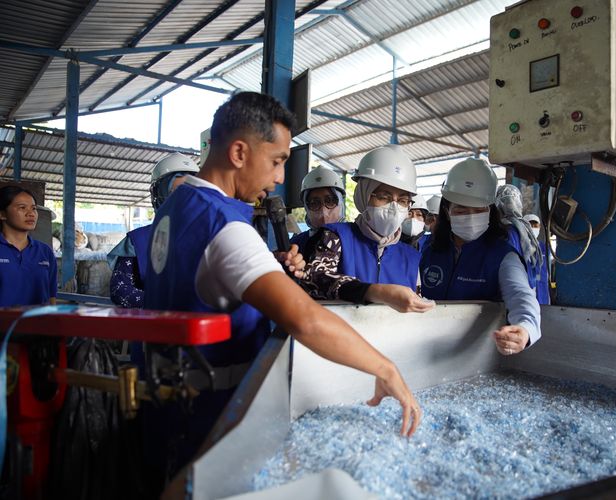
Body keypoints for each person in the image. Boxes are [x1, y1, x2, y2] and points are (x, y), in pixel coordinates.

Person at [143, 92, 421, 481]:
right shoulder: (225, 227)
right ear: (239, 152)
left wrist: (264, 267)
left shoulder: (178, 205)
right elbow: (306, 319)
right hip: (213, 408)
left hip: (169, 398)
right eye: (276, 161)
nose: (277, 178)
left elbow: (198, 278)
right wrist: (385, 368)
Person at [420, 158, 541, 355]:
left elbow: (521, 295)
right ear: (446, 211)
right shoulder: (429, 248)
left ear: (490, 211)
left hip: (475, 354)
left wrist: (525, 328)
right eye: (460, 209)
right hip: (425, 346)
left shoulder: (502, 255)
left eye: (478, 211)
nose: (470, 216)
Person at [300, 145, 435, 314]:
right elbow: (316, 278)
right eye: (383, 197)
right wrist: (375, 292)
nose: (393, 207)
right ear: (363, 196)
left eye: (402, 200)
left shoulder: (410, 257)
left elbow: (415, 302)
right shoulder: (336, 237)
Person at [107, 153, 199, 308]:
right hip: (152, 326)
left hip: (195, 327)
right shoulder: (138, 241)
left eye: (189, 193)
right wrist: (164, 304)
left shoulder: (206, 235)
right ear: (159, 195)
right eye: (175, 192)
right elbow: (120, 290)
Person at [0, 186, 57, 307]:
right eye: (22, 208)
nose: (31, 214)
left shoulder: (45, 252)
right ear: (2, 214)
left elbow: (52, 296)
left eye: (34, 208)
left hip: (37, 324)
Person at [495, 184, 549, 305]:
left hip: (510, 289)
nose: (510, 205)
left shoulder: (503, 231)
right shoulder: (525, 229)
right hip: (525, 287)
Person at [290, 166, 345, 260]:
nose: (324, 211)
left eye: (330, 201)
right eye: (314, 203)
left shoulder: (354, 240)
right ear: (306, 208)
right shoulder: (295, 245)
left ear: (340, 203)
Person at [523, 213, 551, 305]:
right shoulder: (519, 247)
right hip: (525, 288)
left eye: (536, 225)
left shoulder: (545, 248)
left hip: (542, 290)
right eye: (530, 225)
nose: (533, 228)